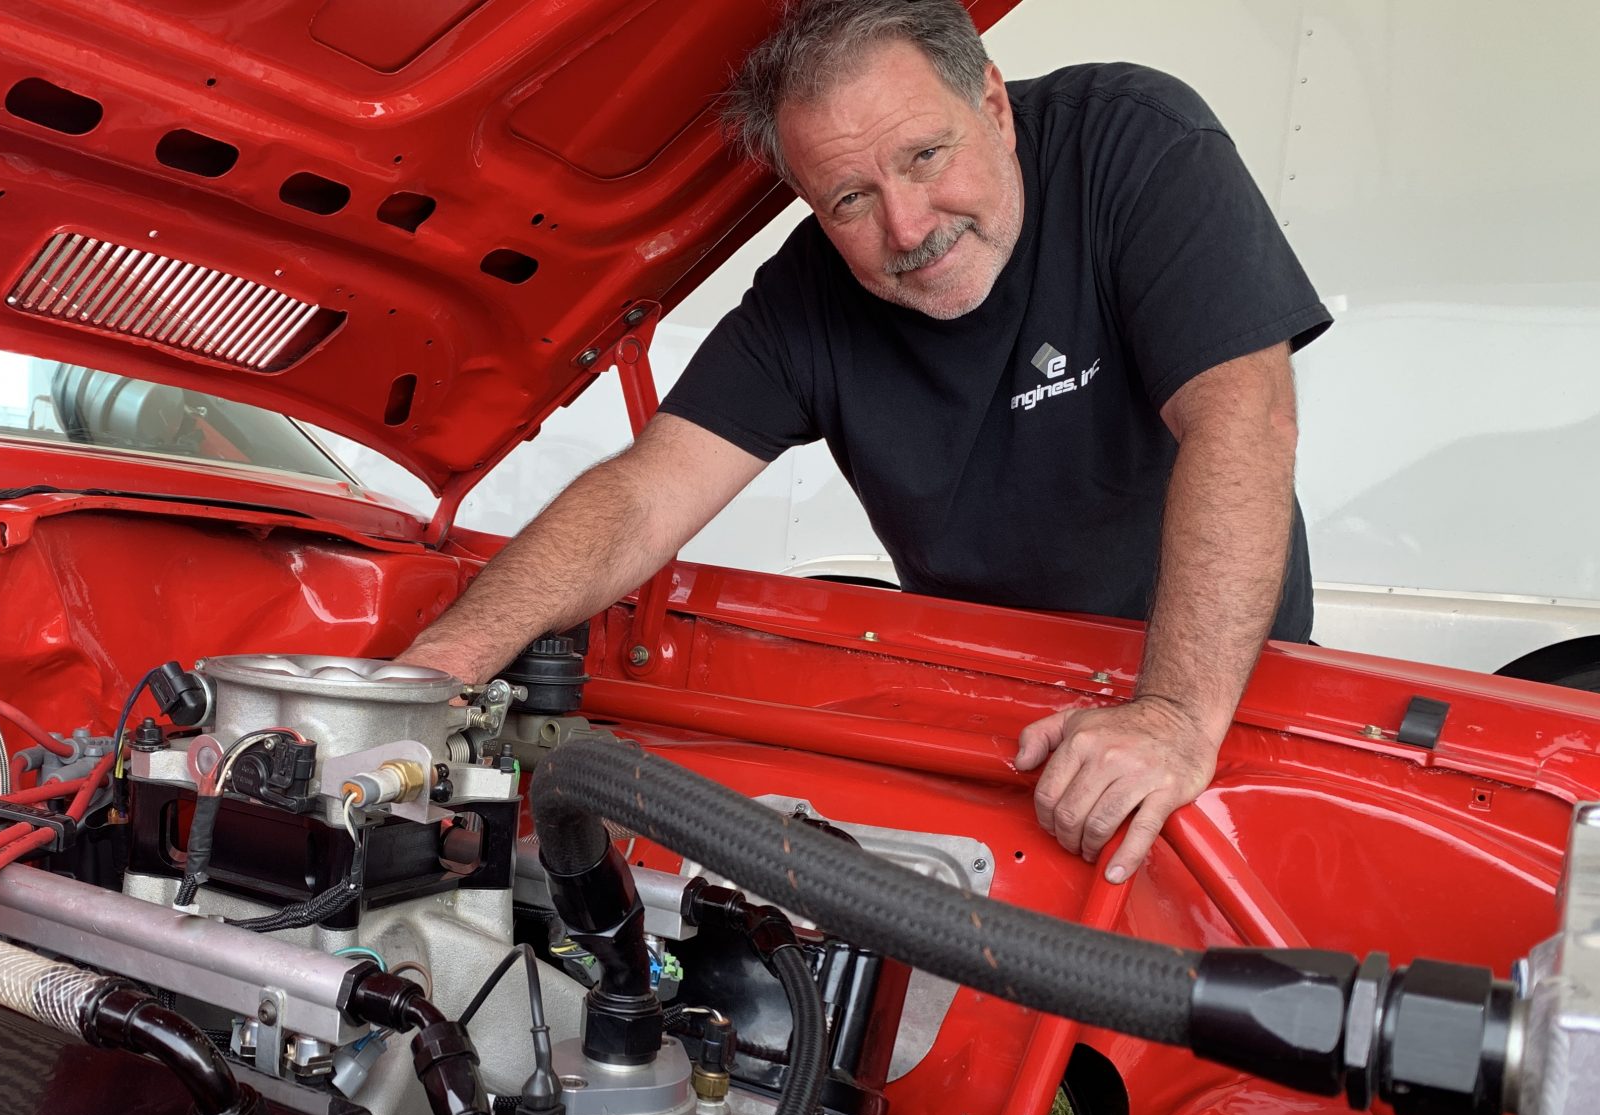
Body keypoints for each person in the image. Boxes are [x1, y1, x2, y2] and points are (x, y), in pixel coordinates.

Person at [402, 0, 1329, 883]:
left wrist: (1172, 714)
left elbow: (1242, 417)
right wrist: (438, 669)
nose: (909, 225)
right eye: (850, 199)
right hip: (991, 702)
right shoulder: (807, 297)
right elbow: (646, 492)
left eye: (926, 155)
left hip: (1214, 689)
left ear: (995, 107)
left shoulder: (1131, 142)